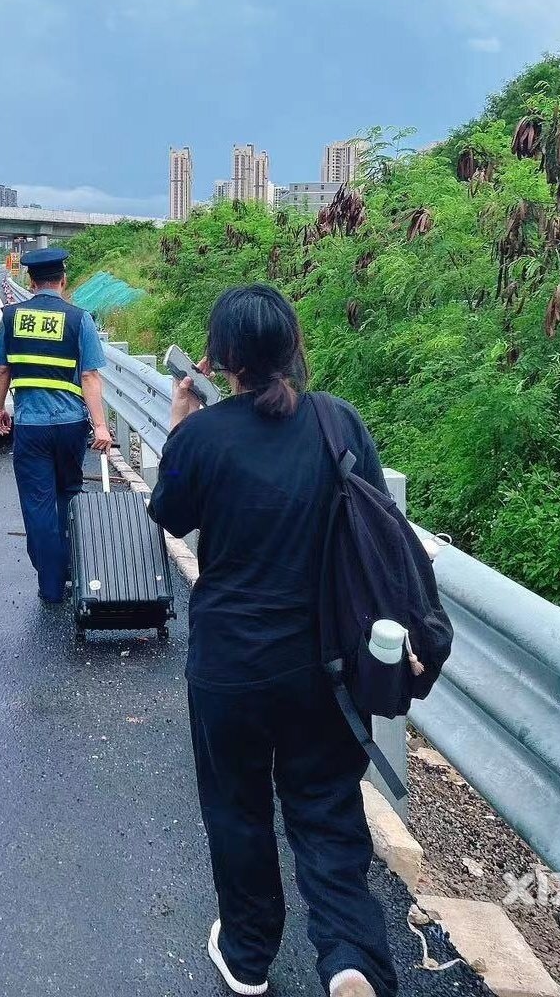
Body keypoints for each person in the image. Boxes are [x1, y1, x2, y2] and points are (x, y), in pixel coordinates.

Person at [148, 284, 399, 997]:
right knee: (325, 808)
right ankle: (349, 955)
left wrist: (181, 418)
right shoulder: (337, 422)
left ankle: (250, 953)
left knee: (237, 807)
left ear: (218, 358)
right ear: (292, 347)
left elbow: (168, 514)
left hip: (229, 665)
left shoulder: (201, 435)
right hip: (322, 661)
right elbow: (376, 520)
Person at [0, 247, 112, 604]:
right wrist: (101, 426)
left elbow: (1, 369)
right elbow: (89, 376)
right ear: (63, 280)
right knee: (70, 492)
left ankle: (51, 583)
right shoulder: (78, 319)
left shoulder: (12, 318)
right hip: (72, 425)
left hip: (30, 426)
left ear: (30, 281)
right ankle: (74, 565)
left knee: (38, 502)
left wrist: (0, 408)